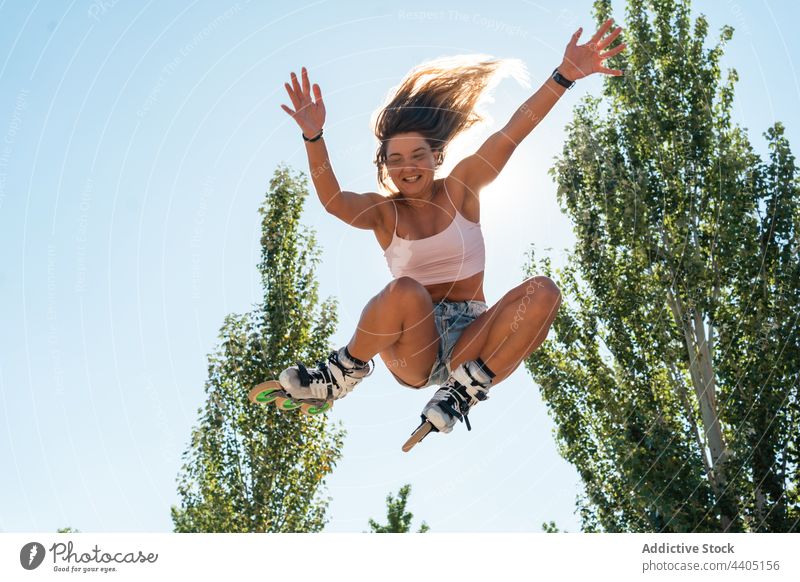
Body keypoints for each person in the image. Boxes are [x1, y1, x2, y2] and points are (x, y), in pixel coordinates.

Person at [276, 18, 626, 438]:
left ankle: (464, 390)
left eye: (418, 155)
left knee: (545, 291)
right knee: (406, 290)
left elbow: (510, 135)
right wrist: (314, 137)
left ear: (436, 157)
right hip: (414, 348)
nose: (408, 167)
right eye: (396, 159)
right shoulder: (385, 214)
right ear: (384, 166)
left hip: (473, 340)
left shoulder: (462, 187)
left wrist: (564, 75)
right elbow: (334, 202)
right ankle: (339, 374)